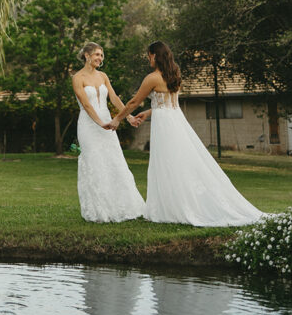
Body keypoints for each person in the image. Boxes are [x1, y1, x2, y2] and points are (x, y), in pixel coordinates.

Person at [105, 41, 263, 226]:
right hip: (175, 120)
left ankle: (177, 208)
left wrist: (117, 119)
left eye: (148, 55)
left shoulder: (152, 78)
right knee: (178, 161)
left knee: (167, 163)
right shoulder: (174, 74)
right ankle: (174, 205)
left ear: (154, 55)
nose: (148, 59)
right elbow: (170, 104)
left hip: (165, 125)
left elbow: (133, 102)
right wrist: (148, 113)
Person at [72, 42, 146, 222]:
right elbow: (86, 104)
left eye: (101, 56)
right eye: (97, 54)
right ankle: (99, 210)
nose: (100, 58)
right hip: (89, 125)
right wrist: (99, 123)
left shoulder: (103, 76)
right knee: (95, 163)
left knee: (114, 161)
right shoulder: (77, 78)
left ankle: (124, 207)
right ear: (87, 55)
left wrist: (128, 117)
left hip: (108, 123)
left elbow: (113, 98)